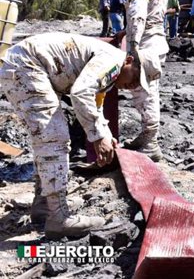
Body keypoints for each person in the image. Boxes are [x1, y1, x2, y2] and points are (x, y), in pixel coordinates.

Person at [0, 33, 161, 239]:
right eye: (136, 77)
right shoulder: (113, 60)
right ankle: (58, 218)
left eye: (140, 83)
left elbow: (95, 104)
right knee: (53, 137)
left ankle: (44, 207)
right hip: (27, 66)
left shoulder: (109, 76)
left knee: (48, 138)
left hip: (26, 66)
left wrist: (105, 133)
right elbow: (81, 92)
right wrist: (96, 137)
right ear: (129, 61)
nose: (134, 85)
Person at [122, 0, 169, 162]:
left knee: (143, 92)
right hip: (158, 39)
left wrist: (132, 47)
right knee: (151, 90)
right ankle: (147, 137)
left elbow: (137, 14)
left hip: (146, 42)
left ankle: (150, 142)